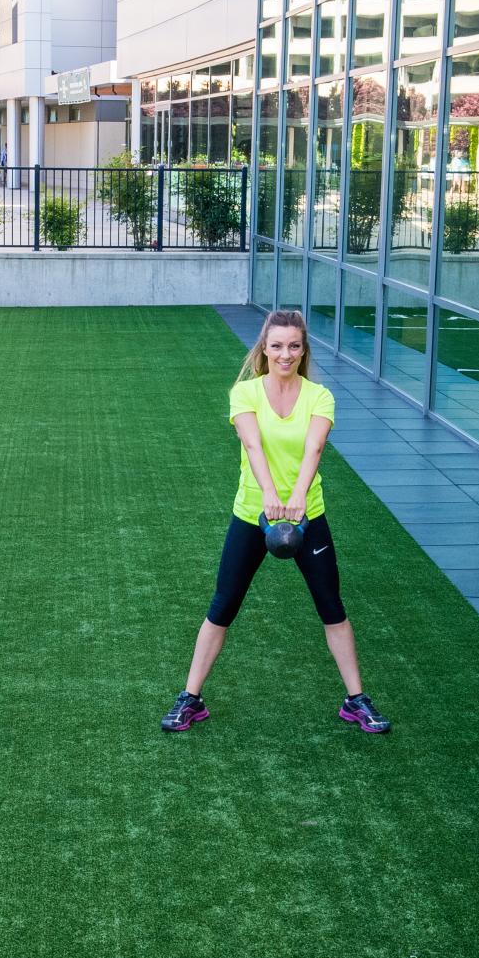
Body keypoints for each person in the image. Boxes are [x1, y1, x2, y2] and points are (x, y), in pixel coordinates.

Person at [161, 309, 390, 735]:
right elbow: (252, 443)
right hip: (253, 514)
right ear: (264, 350)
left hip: (308, 516)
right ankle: (190, 698)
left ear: (303, 351)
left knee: (332, 607)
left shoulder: (319, 396)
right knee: (222, 606)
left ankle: (356, 700)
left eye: (294, 346)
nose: (285, 354)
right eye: (277, 346)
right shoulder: (245, 392)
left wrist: (299, 497)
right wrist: (269, 496)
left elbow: (314, 448)